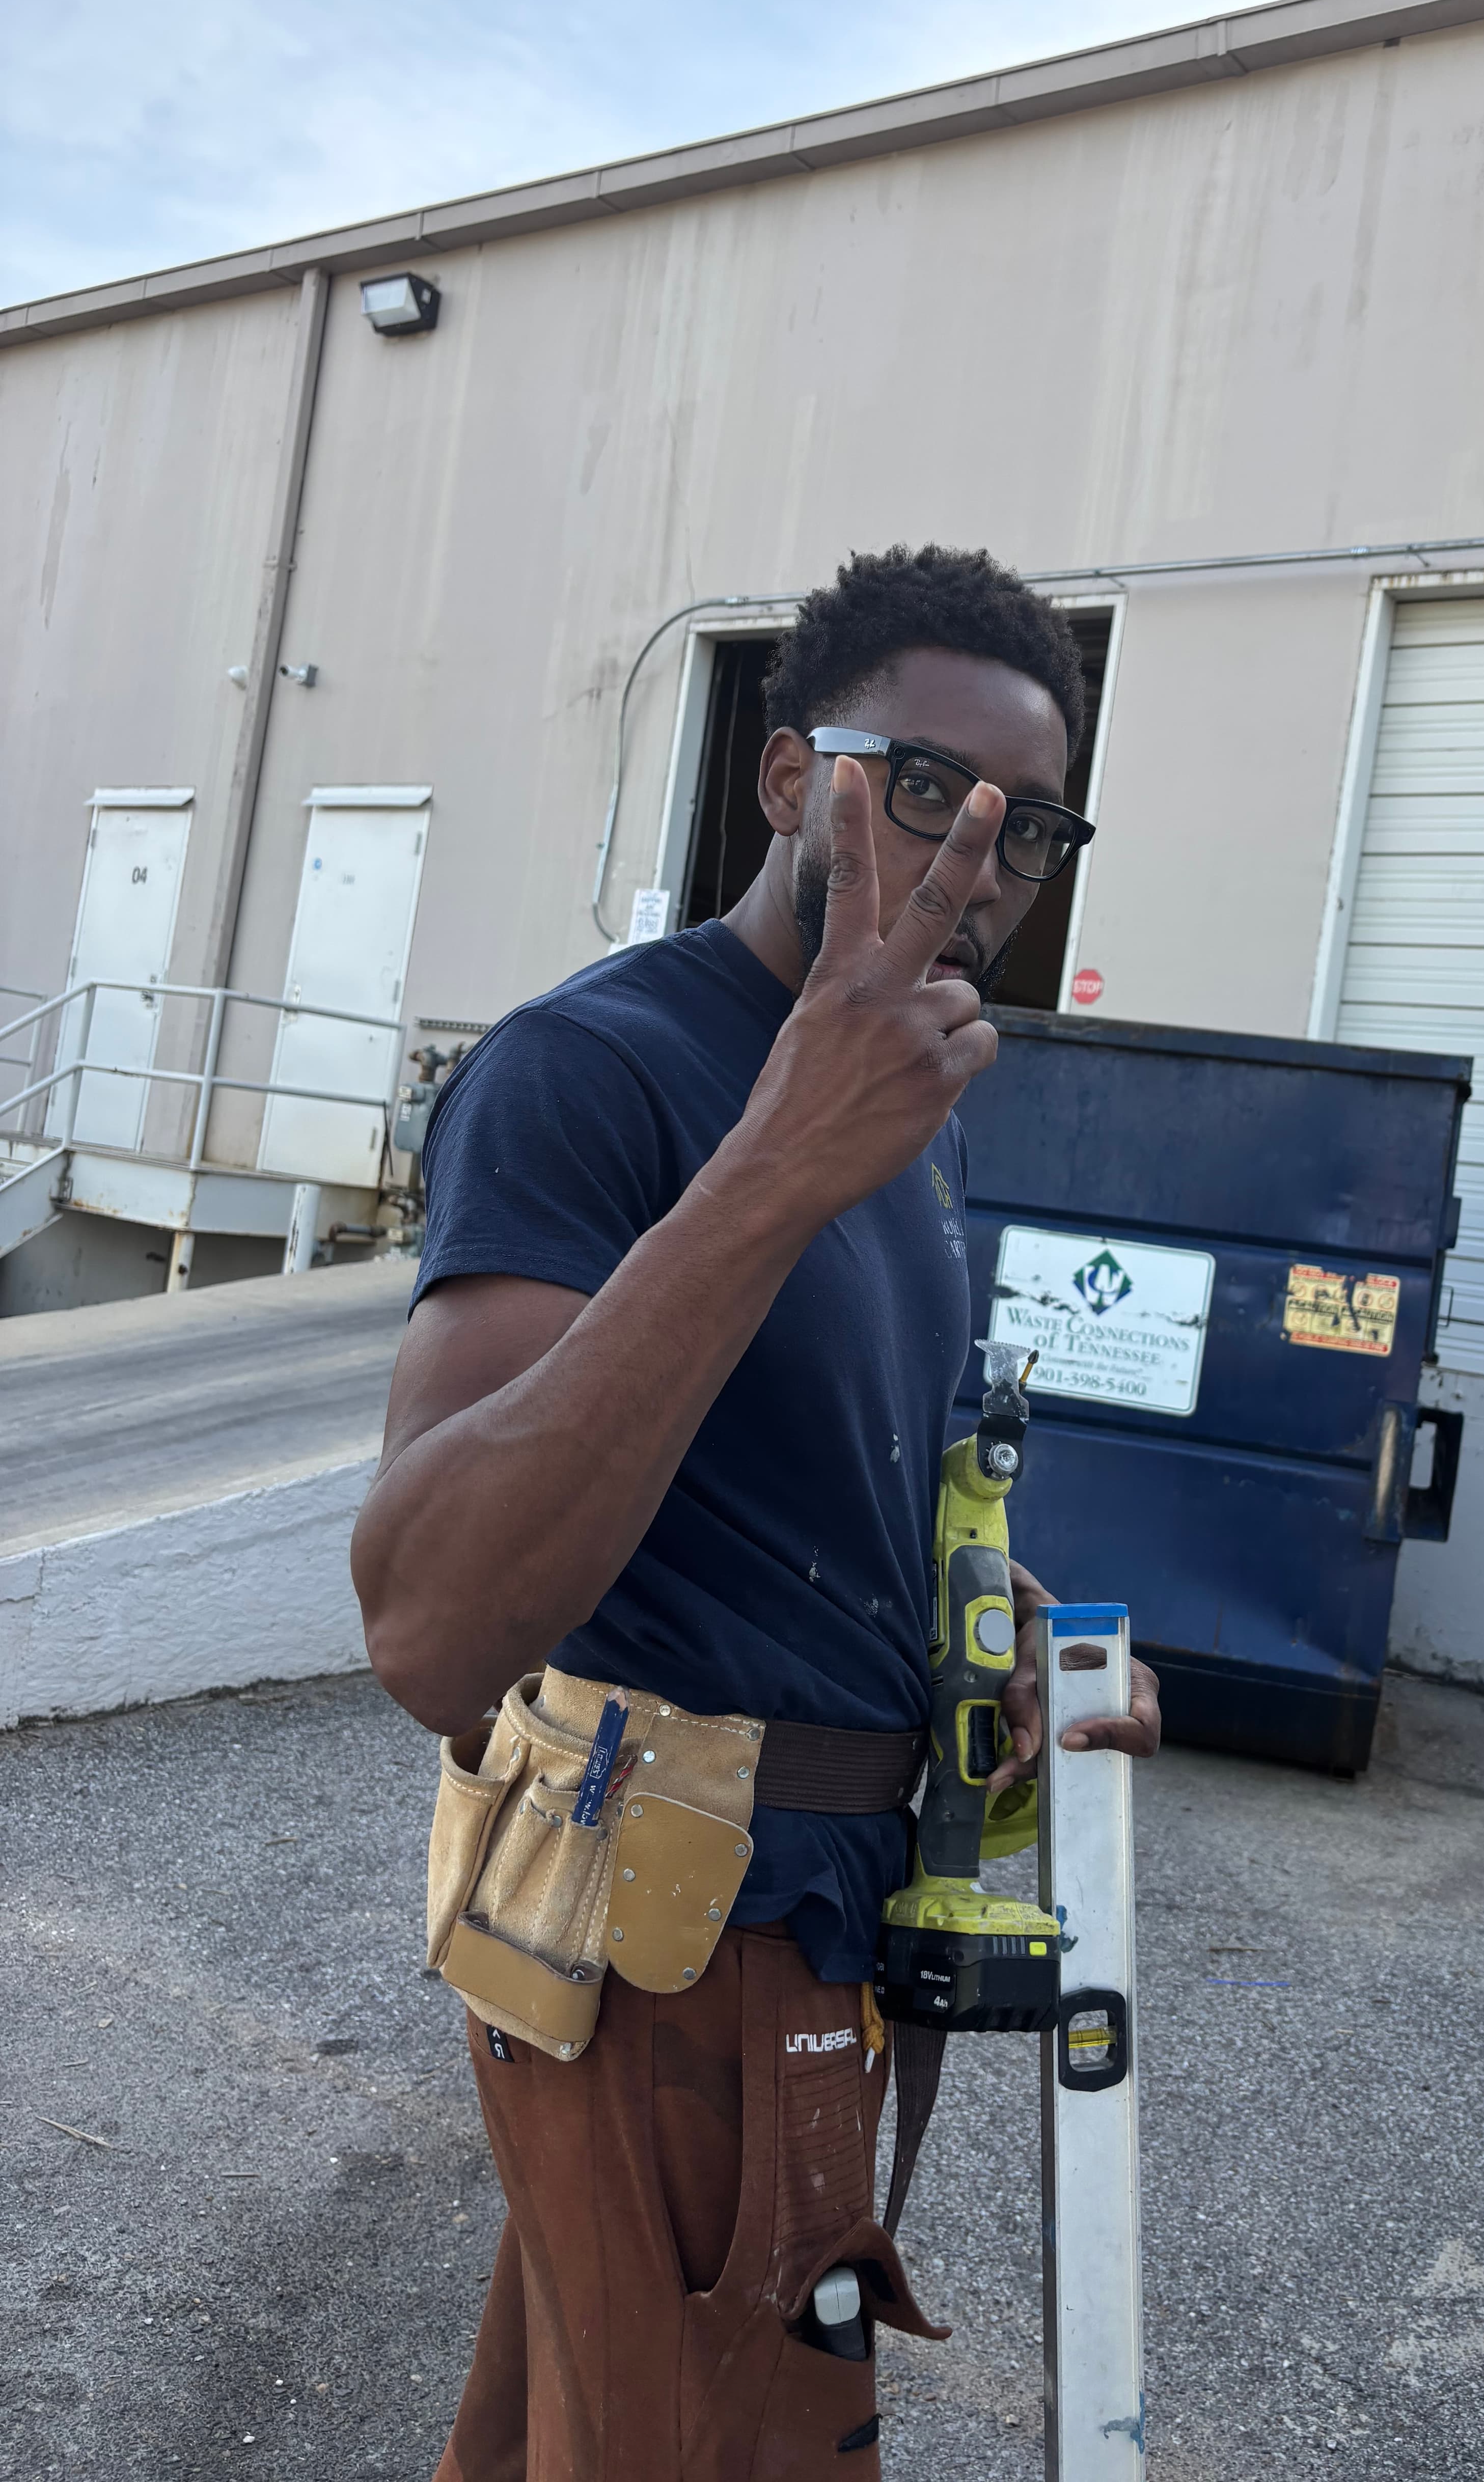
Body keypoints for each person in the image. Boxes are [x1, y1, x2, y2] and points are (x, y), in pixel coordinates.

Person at [352, 543, 1162, 2481]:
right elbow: (429, 1623)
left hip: (825, 1921)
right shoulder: (598, 1070)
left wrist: (1009, 1643)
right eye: (926, 786)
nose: (978, 860)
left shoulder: (903, 1108)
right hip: (671, 1931)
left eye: (1031, 824)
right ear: (790, 775)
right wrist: (780, 1159)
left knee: (579, 2432)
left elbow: (848, 1485)